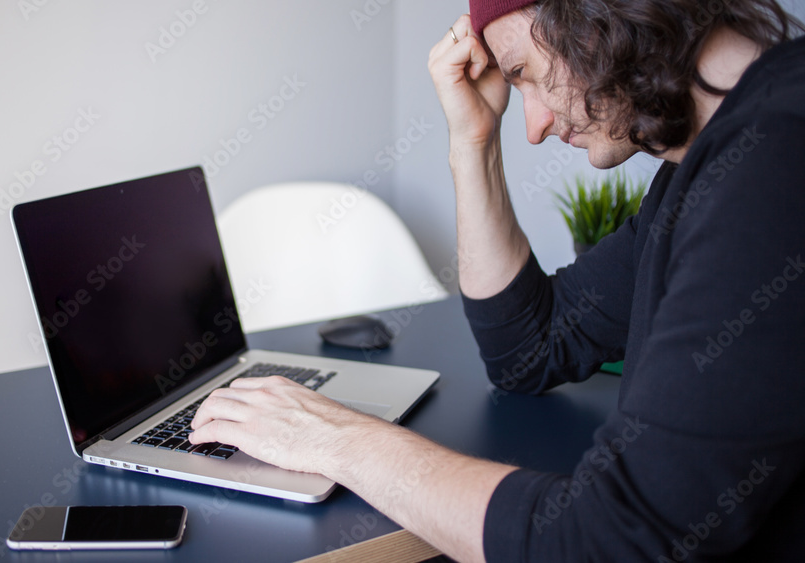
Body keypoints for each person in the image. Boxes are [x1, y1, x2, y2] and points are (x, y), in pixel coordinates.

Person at [190, 0, 805, 560]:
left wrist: (339, 440)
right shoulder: (709, 165)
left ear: (598, 17)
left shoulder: (773, 164)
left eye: (524, 73)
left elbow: (612, 540)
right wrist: (474, 138)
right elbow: (532, 348)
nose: (533, 126)